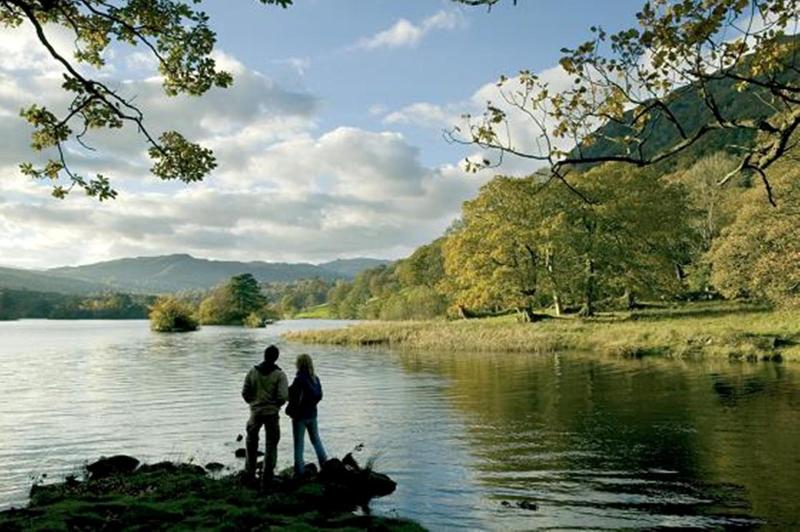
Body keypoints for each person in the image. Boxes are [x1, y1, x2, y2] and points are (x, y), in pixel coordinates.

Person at [241, 344, 288, 488]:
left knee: (251, 442)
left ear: (264, 355)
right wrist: (276, 405)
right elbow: (283, 396)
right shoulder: (280, 375)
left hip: (255, 413)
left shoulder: (252, 372)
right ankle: (267, 478)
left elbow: (245, 392)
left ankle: (249, 474)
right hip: (271, 413)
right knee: (271, 444)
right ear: (276, 358)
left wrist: (253, 403)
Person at [286, 353, 328, 477]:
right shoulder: (315, 379)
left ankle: (299, 472)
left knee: (299, 445)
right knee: (316, 440)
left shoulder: (299, 379)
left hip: (300, 417)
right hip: (313, 415)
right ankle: (325, 465)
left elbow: (290, 394)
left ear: (299, 364)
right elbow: (319, 396)